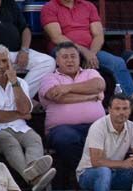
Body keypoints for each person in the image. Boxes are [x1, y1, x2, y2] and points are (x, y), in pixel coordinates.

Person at [0, 44, 55, 190]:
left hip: (19, 127)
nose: (2, 65)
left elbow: (25, 108)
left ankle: (34, 172)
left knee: (35, 139)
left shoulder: (21, 83)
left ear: (10, 63)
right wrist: (21, 115)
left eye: (4, 61)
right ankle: (32, 179)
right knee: (10, 142)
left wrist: (14, 83)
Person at [40, 0, 133, 98]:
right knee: (72, 58)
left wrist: (91, 54)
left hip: (91, 50)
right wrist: (84, 52)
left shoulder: (88, 6)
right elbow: (56, 37)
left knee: (118, 62)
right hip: (63, 50)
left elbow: (98, 35)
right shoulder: (50, 7)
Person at [40, 40, 106, 174]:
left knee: (107, 134)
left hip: (95, 126)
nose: (70, 60)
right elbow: (56, 96)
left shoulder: (90, 73)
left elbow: (99, 85)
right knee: (66, 138)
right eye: (65, 57)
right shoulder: (49, 78)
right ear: (57, 61)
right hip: (62, 129)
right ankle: (83, 173)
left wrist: (67, 88)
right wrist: (88, 96)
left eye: (73, 56)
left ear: (79, 59)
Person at [0, 0, 57, 92]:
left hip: (15, 53)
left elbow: (25, 29)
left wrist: (24, 50)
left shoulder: (10, 3)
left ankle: (20, 95)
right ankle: (14, 99)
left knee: (48, 62)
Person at [77, 93, 133, 191]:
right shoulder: (98, 127)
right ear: (109, 110)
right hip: (88, 174)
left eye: (125, 109)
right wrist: (123, 164)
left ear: (130, 110)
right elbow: (96, 161)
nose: (122, 112)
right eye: (117, 109)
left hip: (115, 174)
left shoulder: (132, 127)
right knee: (104, 171)